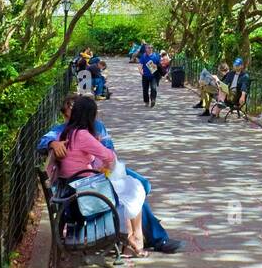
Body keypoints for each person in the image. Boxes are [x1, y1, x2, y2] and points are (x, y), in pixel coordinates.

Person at [37, 95, 183, 253]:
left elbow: (109, 151)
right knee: (133, 190)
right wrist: (52, 143)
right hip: (88, 183)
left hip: (99, 174)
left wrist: (100, 158)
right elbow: (42, 142)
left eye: (73, 112)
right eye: (67, 113)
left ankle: (143, 229)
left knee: (141, 185)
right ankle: (155, 238)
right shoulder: (62, 130)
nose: (69, 117)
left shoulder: (95, 126)